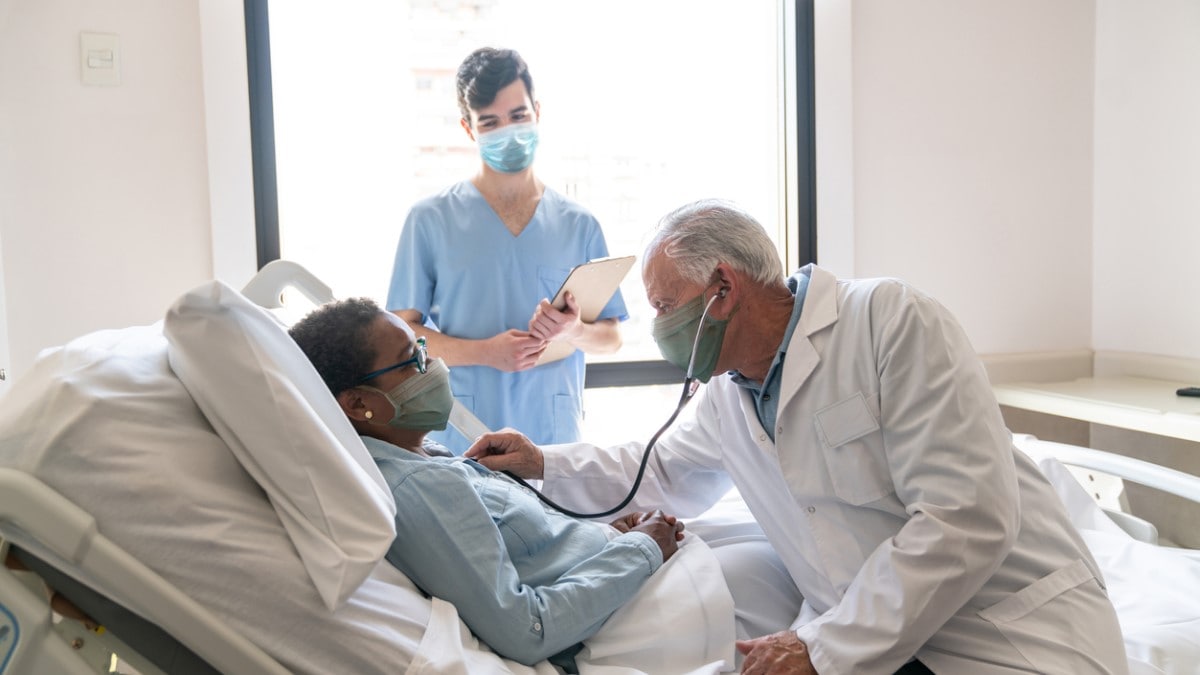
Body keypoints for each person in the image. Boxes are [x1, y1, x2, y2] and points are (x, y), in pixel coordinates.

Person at [466, 199, 1131, 674]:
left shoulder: (889, 322)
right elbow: (661, 470)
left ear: (722, 287)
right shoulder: (729, 395)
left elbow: (968, 517)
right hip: (869, 637)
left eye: (666, 306)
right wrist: (539, 460)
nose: (660, 327)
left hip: (1003, 633)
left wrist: (822, 648)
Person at [287, 298, 680, 669]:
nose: (434, 365)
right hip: (626, 615)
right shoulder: (417, 488)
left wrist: (603, 539)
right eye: (412, 362)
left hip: (621, 579)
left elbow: (525, 555)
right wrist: (643, 549)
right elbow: (527, 630)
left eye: (422, 349)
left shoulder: (421, 455)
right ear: (357, 404)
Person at [387, 46, 626, 454]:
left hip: (554, 440)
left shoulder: (579, 224)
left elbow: (612, 338)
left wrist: (575, 330)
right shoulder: (430, 220)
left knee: (558, 519)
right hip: (464, 434)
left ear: (537, 111)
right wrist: (485, 353)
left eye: (518, 117)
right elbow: (403, 336)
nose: (509, 132)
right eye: (491, 123)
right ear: (468, 129)